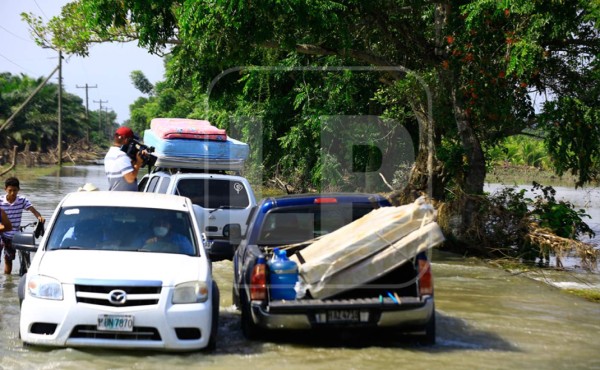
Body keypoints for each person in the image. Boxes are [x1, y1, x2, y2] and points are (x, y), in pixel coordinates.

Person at [0, 177, 44, 274]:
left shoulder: (22, 200)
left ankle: (7, 282)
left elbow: (33, 210)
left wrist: (39, 217)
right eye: (10, 190)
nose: (12, 193)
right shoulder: (0, 201)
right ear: (5, 189)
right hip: (1, 232)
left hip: (13, 235)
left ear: (18, 190)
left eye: (15, 190)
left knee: (8, 260)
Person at [104, 126, 144, 191]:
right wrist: (138, 163)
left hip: (116, 195)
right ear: (126, 140)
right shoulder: (121, 156)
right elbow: (130, 179)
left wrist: (133, 163)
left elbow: (121, 173)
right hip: (124, 198)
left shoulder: (109, 154)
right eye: (132, 141)